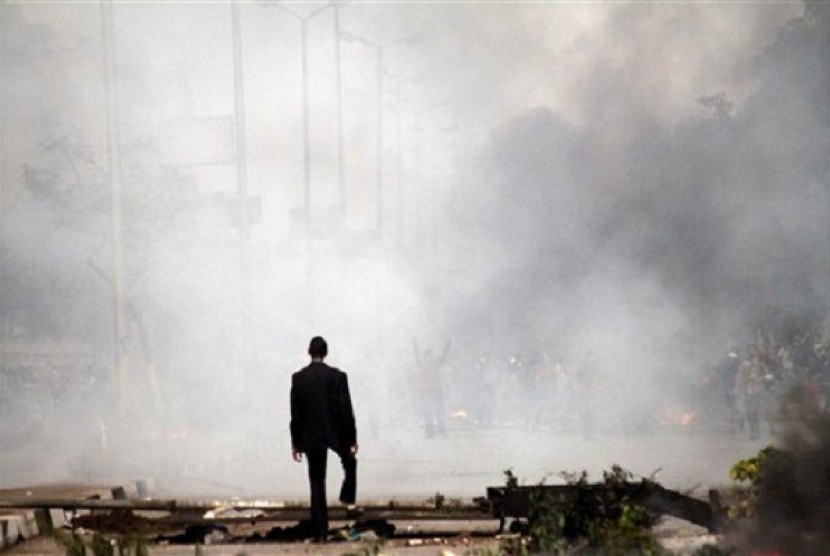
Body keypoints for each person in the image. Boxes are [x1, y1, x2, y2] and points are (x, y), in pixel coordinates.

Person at [290, 336, 359, 542]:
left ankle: (320, 532)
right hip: (335, 432)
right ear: (326, 352)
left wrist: (296, 442)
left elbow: (296, 413)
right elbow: (346, 410)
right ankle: (347, 496)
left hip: (311, 435)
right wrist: (352, 438)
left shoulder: (299, 378)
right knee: (350, 462)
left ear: (309, 352)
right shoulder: (338, 377)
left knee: (317, 482)